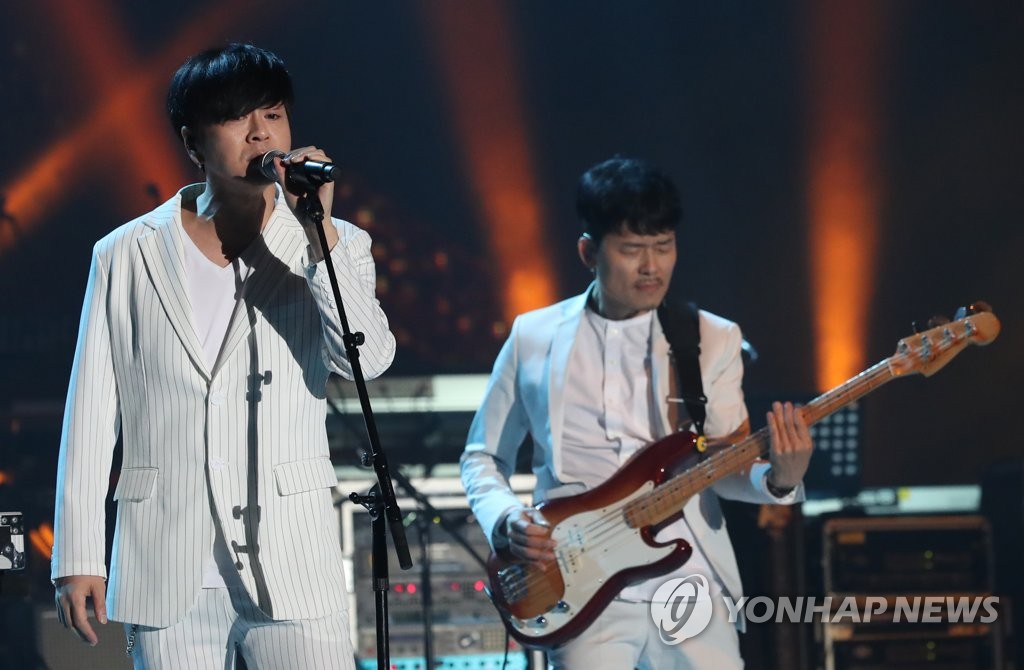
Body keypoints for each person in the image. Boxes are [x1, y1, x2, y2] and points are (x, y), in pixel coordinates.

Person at [51, 43, 396, 669]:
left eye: (274, 114)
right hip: (165, 560)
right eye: (237, 117)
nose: (261, 133)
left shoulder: (335, 243)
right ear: (193, 142)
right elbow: (92, 412)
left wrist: (317, 236)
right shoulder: (126, 252)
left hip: (291, 557)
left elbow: (364, 362)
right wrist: (77, 555)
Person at [460, 156, 813, 668]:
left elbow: (723, 467)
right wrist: (505, 518)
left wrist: (779, 479)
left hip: (687, 579)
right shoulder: (532, 338)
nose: (652, 267)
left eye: (663, 247)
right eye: (631, 250)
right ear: (589, 252)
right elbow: (482, 456)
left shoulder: (711, 338)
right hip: (578, 583)